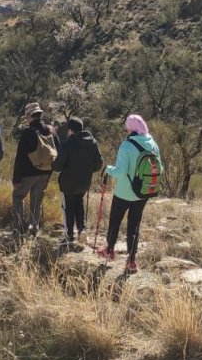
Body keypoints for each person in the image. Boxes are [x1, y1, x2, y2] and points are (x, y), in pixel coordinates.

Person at [101, 114, 161, 273]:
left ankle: (110, 250)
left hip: (123, 193)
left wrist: (107, 169)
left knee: (115, 221)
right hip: (143, 192)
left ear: (131, 128)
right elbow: (159, 168)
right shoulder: (153, 144)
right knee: (134, 226)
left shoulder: (126, 146)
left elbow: (120, 172)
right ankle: (132, 260)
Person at [52, 117, 104, 244]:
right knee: (79, 204)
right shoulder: (92, 142)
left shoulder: (68, 144)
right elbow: (98, 164)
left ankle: (69, 235)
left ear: (70, 130)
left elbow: (57, 166)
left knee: (68, 207)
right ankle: (81, 229)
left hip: (68, 183)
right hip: (84, 182)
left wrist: (53, 161)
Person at [11, 102, 58, 235]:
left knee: (18, 196)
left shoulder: (27, 132)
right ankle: (34, 227)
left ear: (28, 116)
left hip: (28, 174)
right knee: (36, 201)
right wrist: (50, 172)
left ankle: (19, 227)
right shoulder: (51, 130)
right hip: (45, 172)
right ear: (40, 114)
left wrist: (16, 178)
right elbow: (58, 151)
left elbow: (20, 157)